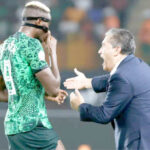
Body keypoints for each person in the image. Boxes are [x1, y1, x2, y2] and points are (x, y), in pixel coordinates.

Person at [64, 28, 150, 150]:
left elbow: (104, 115)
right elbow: (113, 79)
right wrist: (87, 82)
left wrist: (80, 106)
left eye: (103, 46)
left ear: (116, 50)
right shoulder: (138, 65)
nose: (99, 51)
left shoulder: (122, 77)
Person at [0, 1, 67, 150]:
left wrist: (39, 95)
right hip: (32, 125)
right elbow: (55, 88)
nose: (48, 31)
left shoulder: (5, 46)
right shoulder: (31, 45)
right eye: (48, 23)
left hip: (13, 127)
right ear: (39, 21)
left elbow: (5, 92)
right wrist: (52, 52)